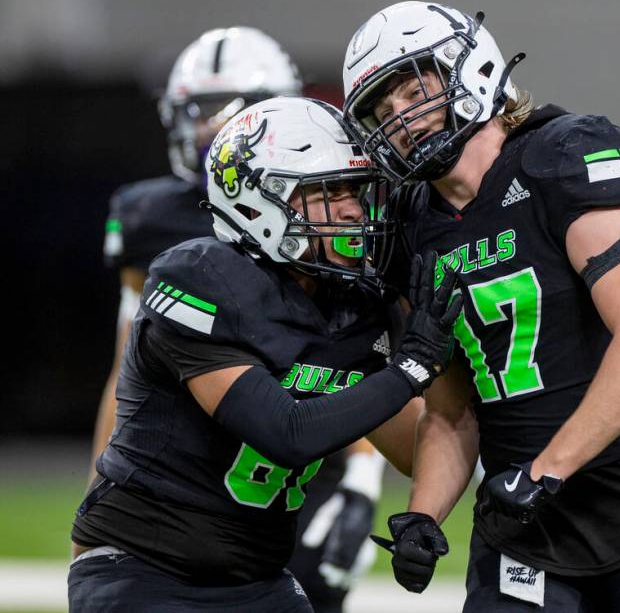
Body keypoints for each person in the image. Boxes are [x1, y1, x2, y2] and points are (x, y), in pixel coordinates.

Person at [342, 1, 620, 612]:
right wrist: (423, 515)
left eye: (414, 91)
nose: (402, 122)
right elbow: (450, 411)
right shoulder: (413, 226)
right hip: (520, 524)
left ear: (471, 68)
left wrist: (547, 469)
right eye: (383, 113)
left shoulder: (559, 156)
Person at [69, 97, 462, 611]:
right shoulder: (199, 277)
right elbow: (286, 433)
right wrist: (413, 365)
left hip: (257, 576)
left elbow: (413, 448)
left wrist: (425, 508)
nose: (353, 209)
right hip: (143, 568)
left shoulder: (356, 305)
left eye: (358, 191)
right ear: (260, 204)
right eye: (331, 191)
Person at [92, 27, 389, 612]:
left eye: (234, 111)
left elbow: (354, 355)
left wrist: (361, 480)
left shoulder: (340, 238)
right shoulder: (159, 227)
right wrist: (102, 485)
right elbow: (125, 364)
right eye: (200, 111)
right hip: (205, 462)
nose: (211, 127)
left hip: (307, 447)